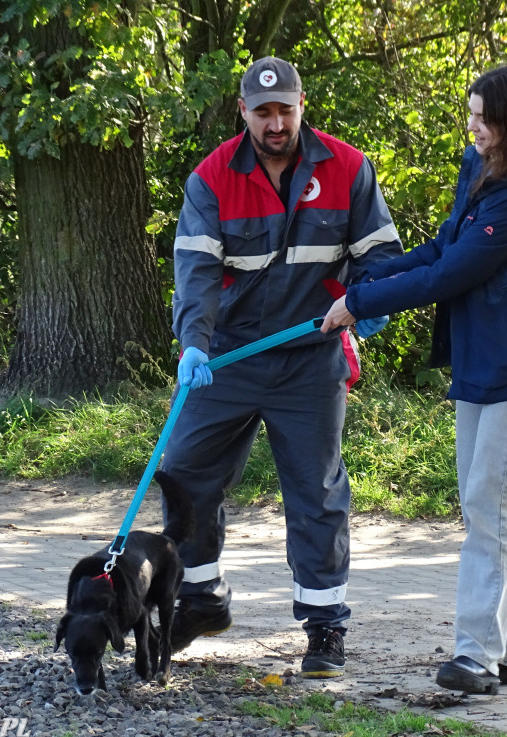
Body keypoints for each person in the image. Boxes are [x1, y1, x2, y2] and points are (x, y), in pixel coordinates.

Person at [321, 64, 507, 694]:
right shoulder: (484, 167)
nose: (472, 127)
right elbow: (439, 248)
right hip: (481, 357)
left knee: (489, 501)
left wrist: (362, 304)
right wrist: (365, 283)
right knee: (487, 502)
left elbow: (451, 273)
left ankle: (476, 655)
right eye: (471, 114)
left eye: (483, 118)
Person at [161, 56, 402, 679]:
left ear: (302, 106)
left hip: (310, 356)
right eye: (262, 111)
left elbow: (380, 254)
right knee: (184, 472)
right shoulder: (211, 179)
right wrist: (193, 343)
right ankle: (201, 598)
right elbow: (195, 274)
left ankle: (324, 628)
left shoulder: (347, 168)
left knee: (316, 490)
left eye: (285, 110)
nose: (275, 123)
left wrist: (366, 302)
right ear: (243, 111)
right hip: (227, 357)